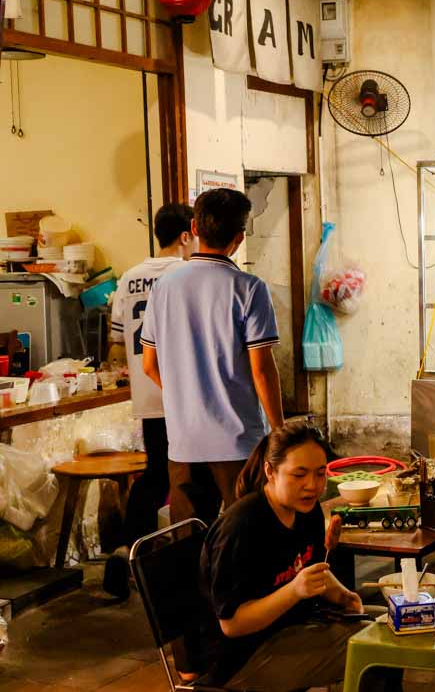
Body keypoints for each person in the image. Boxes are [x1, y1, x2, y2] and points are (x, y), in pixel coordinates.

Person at [142, 188, 285, 524]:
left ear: (193, 228)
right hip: (238, 443)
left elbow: (149, 365)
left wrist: (185, 398)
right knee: (249, 536)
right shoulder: (249, 288)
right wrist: (279, 430)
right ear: (239, 237)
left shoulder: (163, 288)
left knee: (187, 544)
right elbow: (262, 371)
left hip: (183, 442)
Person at [200, 422, 365, 690]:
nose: (312, 486)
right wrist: (294, 591)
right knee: (372, 650)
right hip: (239, 660)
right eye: (299, 475)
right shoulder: (240, 527)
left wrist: (344, 595)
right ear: (270, 471)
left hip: (292, 630)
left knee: (386, 624)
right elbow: (231, 625)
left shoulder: (306, 510)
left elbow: (310, 568)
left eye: (320, 473)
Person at [103, 203, 196, 598]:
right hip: (188, 394)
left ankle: (129, 549)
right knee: (193, 479)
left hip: (148, 395)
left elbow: (115, 348)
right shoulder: (188, 275)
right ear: (187, 234)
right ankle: (186, 563)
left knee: (157, 472)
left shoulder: (128, 278)